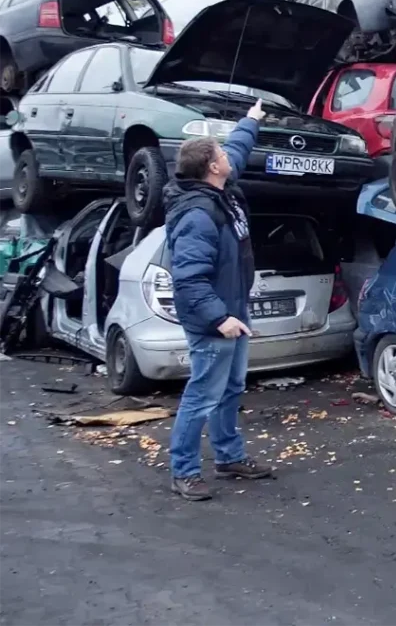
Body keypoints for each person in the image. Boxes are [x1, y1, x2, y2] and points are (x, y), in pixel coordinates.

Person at [164, 99, 274, 501]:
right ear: (212, 166)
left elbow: (240, 151)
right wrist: (219, 318)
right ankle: (184, 472)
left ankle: (229, 458)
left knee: (230, 388)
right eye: (221, 153)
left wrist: (252, 119)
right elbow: (189, 281)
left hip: (233, 311)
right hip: (214, 320)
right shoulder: (197, 216)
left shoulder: (220, 190)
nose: (229, 156)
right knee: (202, 395)